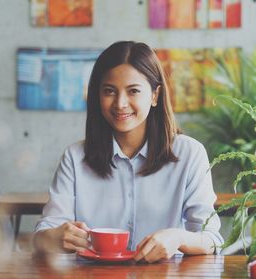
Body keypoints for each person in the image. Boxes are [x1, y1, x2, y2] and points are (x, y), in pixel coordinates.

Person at [33, 41, 223, 263]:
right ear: (97, 96)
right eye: (109, 91)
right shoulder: (75, 157)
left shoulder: (190, 154)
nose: (120, 103)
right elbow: (43, 235)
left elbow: (212, 239)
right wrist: (55, 237)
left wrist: (178, 237)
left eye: (133, 91)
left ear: (155, 95)